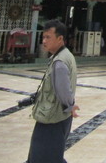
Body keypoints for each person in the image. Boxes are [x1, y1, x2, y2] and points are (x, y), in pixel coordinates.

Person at [28, 19, 80, 163]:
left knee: (43, 156)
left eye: (48, 37)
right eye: (43, 37)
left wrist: (70, 106)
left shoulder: (59, 62)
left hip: (52, 118)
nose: (44, 41)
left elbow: (63, 90)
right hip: (56, 116)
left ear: (60, 39)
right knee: (50, 155)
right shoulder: (65, 55)